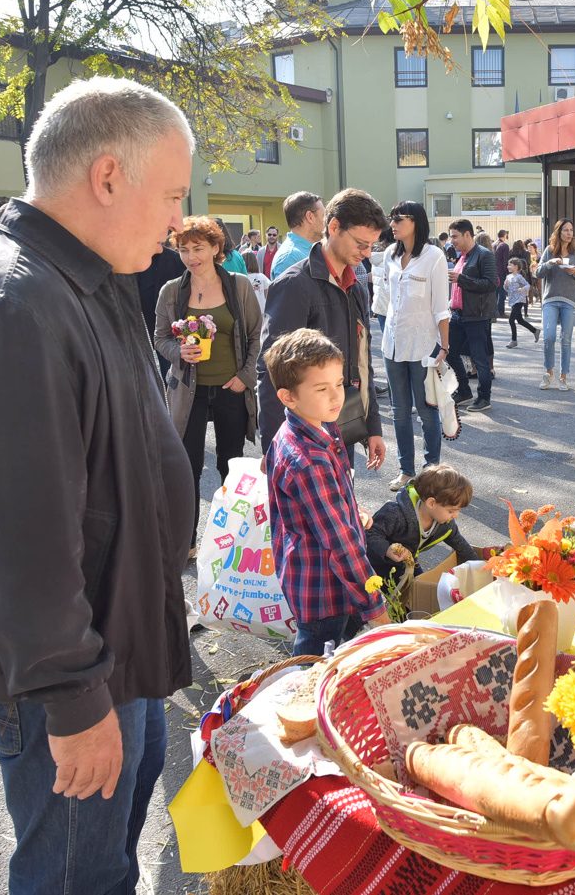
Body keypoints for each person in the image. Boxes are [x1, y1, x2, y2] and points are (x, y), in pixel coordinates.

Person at [0, 77, 196, 895]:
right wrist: (73, 700)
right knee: (75, 873)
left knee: (108, 848)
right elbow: (17, 539)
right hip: (63, 669)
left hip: (111, 636)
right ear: (108, 176)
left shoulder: (86, 274)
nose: (179, 221)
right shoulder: (16, 301)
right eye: (173, 195)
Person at [262, 327, 390, 656]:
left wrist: (351, 511)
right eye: (322, 388)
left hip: (325, 577)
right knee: (314, 660)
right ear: (288, 396)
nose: (336, 397)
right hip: (323, 588)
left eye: (338, 384)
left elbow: (332, 498)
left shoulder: (318, 422)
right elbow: (341, 545)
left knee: (337, 648)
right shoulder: (307, 461)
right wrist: (376, 608)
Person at [257, 188, 387, 473]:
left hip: (343, 427)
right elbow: (271, 372)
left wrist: (371, 426)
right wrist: (272, 446)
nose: (366, 254)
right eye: (361, 244)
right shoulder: (294, 285)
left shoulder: (355, 288)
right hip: (302, 436)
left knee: (341, 511)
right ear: (334, 226)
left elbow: (362, 364)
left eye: (371, 247)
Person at [155, 216, 262, 550]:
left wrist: (245, 377)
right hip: (189, 391)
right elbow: (159, 337)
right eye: (184, 249)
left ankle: (229, 543)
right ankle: (186, 543)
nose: (191, 256)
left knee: (230, 463)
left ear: (216, 248)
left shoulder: (239, 286)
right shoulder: (172, 291)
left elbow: (258, 335)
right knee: (188, 468)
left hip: (232, 388)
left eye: (198, 248)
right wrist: (178, 351)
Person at [380, 201, 450, 489]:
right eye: (392, 219)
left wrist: (444, 347)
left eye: (399, 219)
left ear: (416, 222)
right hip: (392, 345)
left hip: (423, 346)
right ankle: (406, 470)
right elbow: (384, 298)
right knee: (399, 411)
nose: (393, 224)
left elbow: (440, 307)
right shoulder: (389, 254)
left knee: (425, 409)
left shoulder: (434, 256)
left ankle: (431, 470)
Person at [365, 464, 481, 589]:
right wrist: (387, 550)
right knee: (387, 603)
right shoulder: (395, 513)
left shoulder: (446, 525)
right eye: (451, 511)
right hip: (376, 566)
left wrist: (481, 567)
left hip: (407, 564)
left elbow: (461, 546)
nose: (456, 515)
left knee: (419, 591)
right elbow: (370, 533)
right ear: (431, 503)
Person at [445, 219, 499, 412]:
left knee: (479, 359)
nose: (452, 241)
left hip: (477, 316)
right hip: (458, 315)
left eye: (455, 236)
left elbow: (491, 284)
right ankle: (464, 391)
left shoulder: (484, 255)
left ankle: (484, 397)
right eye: (451, 237)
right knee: (449, 353)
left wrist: (462, 279)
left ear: (467, 234)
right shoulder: (463, 256)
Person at [536, 218, 575, 391]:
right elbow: (538, 273)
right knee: (548, 337)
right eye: (565, 230)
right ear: (558, 232)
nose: (569, 233)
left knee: (565, 339)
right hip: (550, 299)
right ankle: (548, 372)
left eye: (571, 230)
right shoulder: (549, 251)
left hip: (570, 300)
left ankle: (563, 377)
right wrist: (550, 263)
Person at [133, 232, 185, 376]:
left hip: (168, 332)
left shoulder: (175, 260)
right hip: (137, 330)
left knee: (168, 375)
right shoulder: (128, 260)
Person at [270, 191, 324, 280]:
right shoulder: (289, 258)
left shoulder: (311, 250)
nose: (327, 221)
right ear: (310, 217)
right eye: (324, 215)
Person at [504, 257, 539, 347]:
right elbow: (506, 288)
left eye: (510, 265)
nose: (508, 267)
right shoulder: (508, 276)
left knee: (511, 320)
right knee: (519, 320)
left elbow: (527, 285)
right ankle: (535, 330)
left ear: (516, 266)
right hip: (512, 300)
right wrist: (505, 285)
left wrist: (522, 289)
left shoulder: (519, 277)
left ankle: (514, 340)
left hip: (519, 300)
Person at [493, 228, 512, 317]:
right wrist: (508, 273)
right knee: (502, 293)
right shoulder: (504, 246)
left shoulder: (493, 244)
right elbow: (505, 261)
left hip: (493, 272)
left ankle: (494, 312)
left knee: (495, 293)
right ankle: (501, 312)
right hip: (501, 272)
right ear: (504, 235)